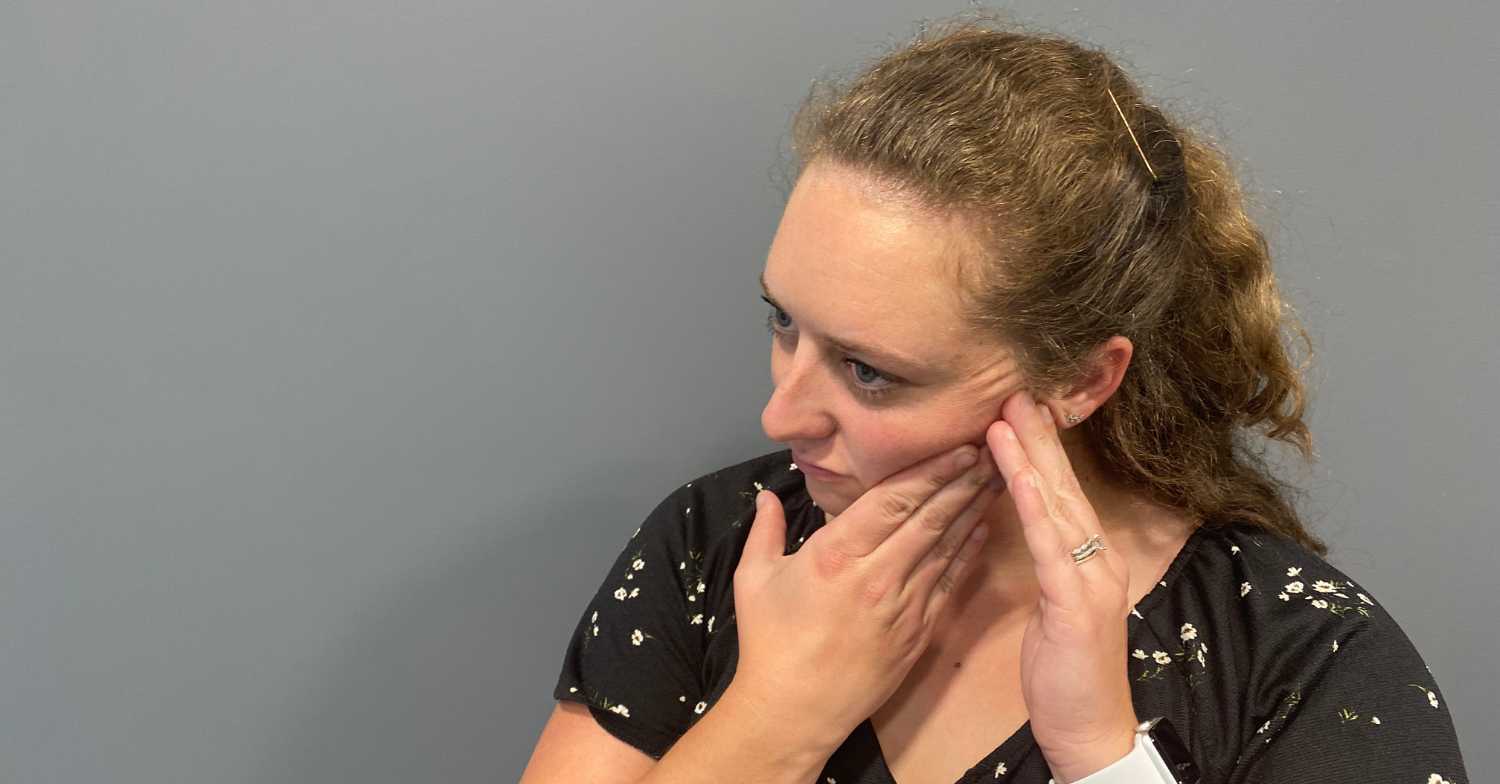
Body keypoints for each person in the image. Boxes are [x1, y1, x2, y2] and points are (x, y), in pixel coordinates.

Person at [520, 13, 1469, 784]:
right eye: (783, 323)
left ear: (1081, 380)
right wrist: (775, 718)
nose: (782, 415)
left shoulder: (1298, 665)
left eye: (868, 370)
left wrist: (1101, 753)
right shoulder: (719, 548)